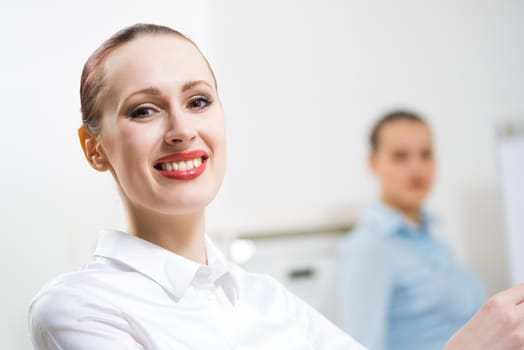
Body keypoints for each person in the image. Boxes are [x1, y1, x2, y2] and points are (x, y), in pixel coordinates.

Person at [28, 23, 524, 350]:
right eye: (144, 109)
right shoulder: (79, 309)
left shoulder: (265, 297)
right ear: (94, 148)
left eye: (198, 101)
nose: (181, 128)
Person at [336, 111, 484, 350]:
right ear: (373, 163)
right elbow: (361, 345)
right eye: (400, 156)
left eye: (426, 155)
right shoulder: (369, 247)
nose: (417, 167)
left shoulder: (433, 240)